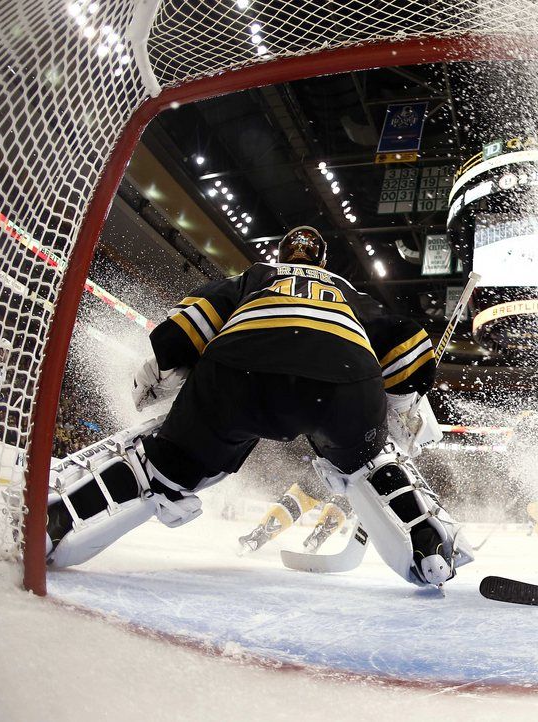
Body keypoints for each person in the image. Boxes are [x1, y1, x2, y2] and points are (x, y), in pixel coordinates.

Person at [45, 226, 471, 588]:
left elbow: (198, 316)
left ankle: (58, 517)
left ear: (282, 254)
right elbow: (406, 341)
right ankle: (428, 546)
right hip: (342, 381)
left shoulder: (258, 276)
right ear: (322, 261)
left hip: (241, 369)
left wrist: (165, 361)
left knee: (167, 465)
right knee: (371, 462)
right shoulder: (345, 291)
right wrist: (403, 400)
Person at [237, 311, 442, 555]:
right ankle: (315, 536)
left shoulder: (361, 361)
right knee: (351, 490)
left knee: (314, 487)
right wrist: (408, 438)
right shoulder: (386, 382)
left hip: (334, 432)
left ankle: (263, 535)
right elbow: (400, 427)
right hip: (360, 446)